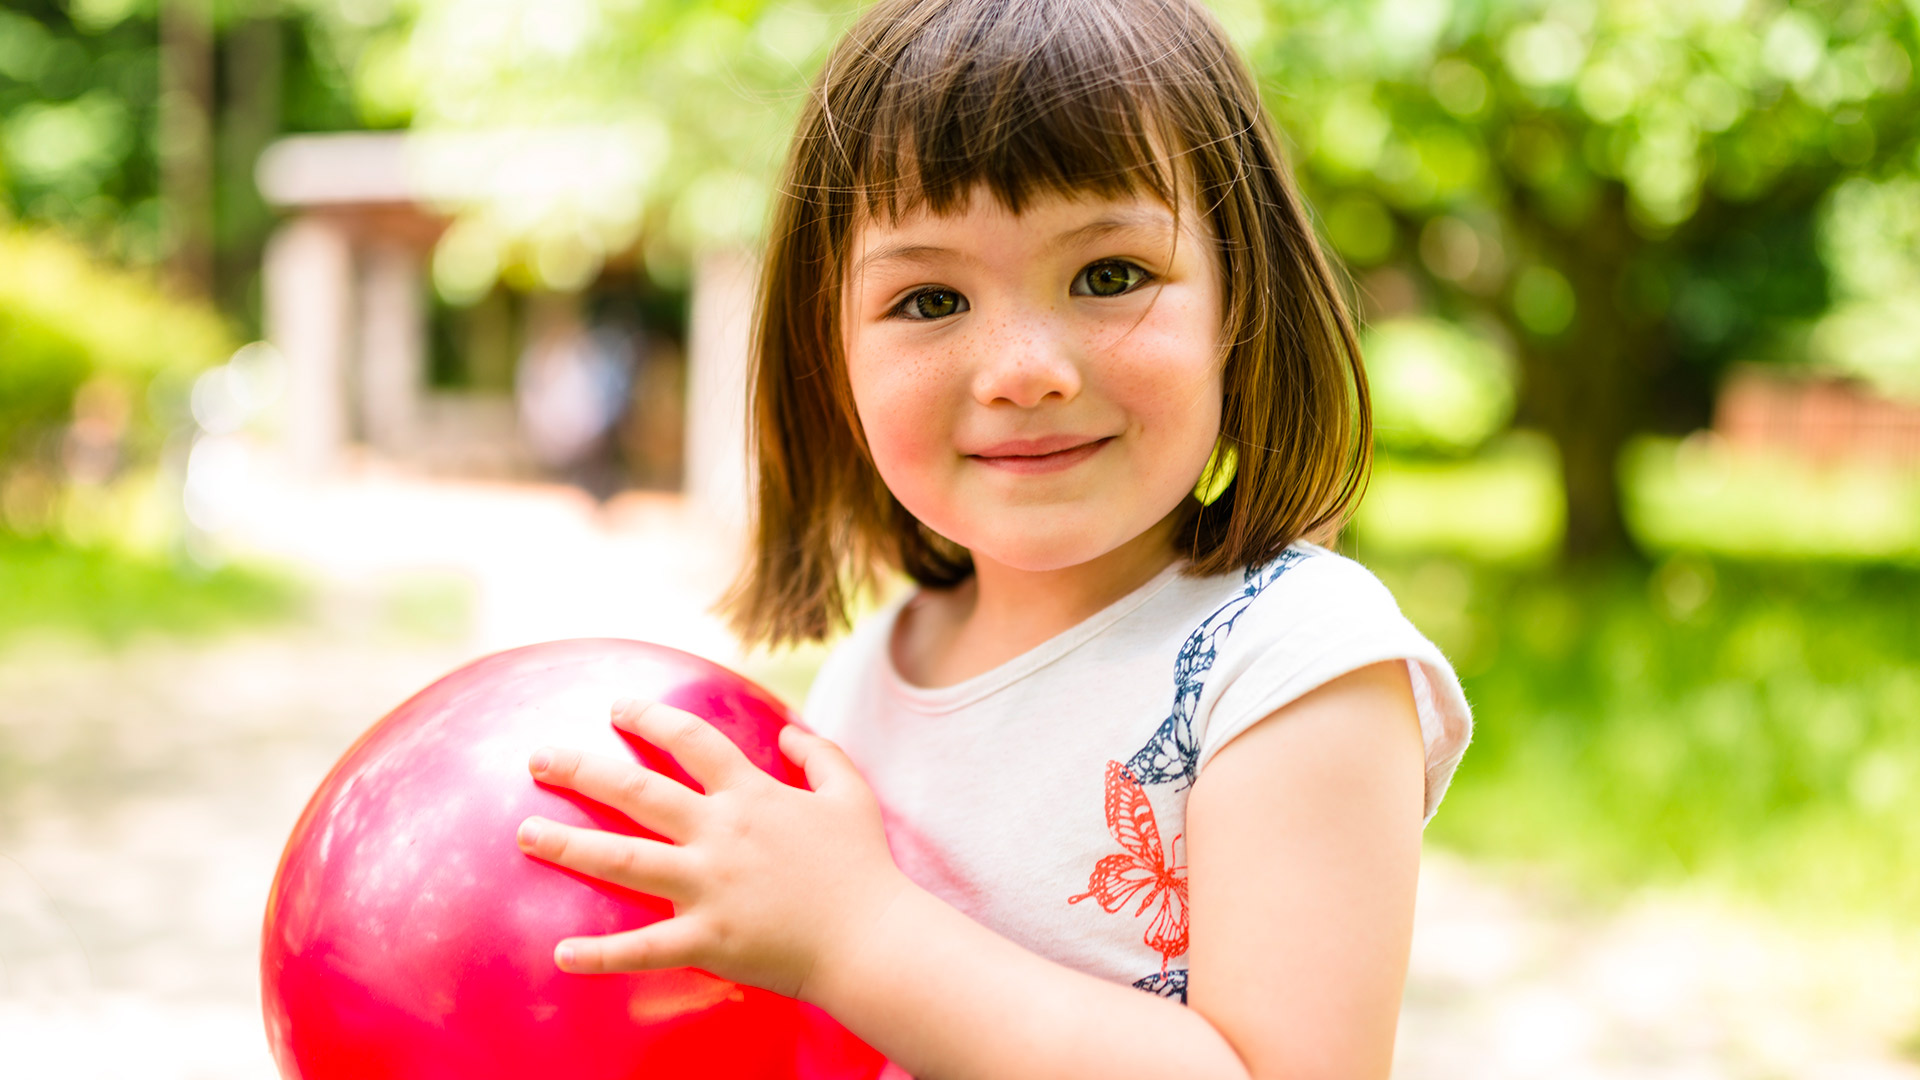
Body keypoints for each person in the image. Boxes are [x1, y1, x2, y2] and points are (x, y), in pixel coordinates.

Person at [511, 0, 1474, 1075]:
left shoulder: (1293, 662)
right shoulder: (869, 677)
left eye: (1108, 275)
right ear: (830, 360)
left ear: (1241, 304)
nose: (1025, 368)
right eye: (930, 298)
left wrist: (855, 935)